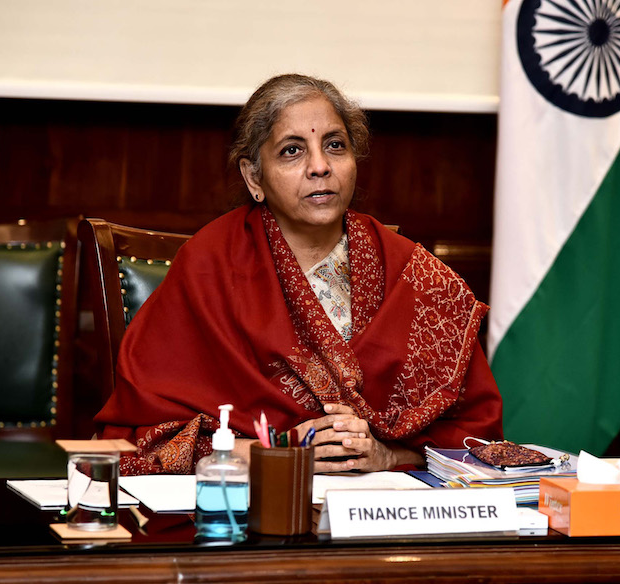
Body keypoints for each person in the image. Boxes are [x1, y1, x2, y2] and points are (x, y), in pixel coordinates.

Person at [95, 74, 503, 475]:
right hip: (250, 501)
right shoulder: (208, 265)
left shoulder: (412, 272)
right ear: (254, 177)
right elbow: (140, 438)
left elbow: (475, 440)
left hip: (380, 505)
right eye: (292, 151)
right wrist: (274, 451)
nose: (320, 166)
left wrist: (387, 456)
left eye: (335, 145)